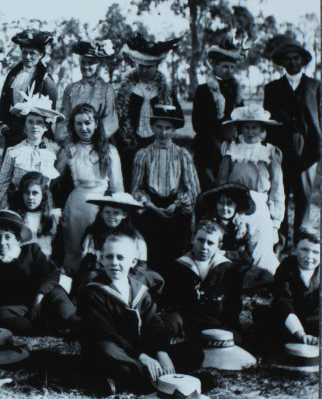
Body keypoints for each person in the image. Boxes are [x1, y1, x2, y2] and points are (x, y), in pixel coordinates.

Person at [77, 231, 181, 396]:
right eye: (109, 257)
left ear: (133, 261)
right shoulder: (94, 291)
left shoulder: (140, 290)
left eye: (120, 257)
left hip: (138, 347)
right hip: (112, 347)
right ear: (101, 259)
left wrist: (161, 352)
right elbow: (107, 333)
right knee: (108, 351)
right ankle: (149, 379)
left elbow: (152, 324)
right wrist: (141, 356)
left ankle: (147, 375)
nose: (114, 263)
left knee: (190, 351)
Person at [262, 33, 321, 251]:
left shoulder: (315, 86)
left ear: (302, 60)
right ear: (282, 62)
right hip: (281, 150)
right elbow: (267, 120)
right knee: (280, 194)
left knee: (304, 198)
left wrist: (318, 149)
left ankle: (300, 241)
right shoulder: (272, 88)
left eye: (296, 58)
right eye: (288, 58)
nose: (292, 62)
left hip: (308, 150)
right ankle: (280, 240)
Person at [0, 210, 77, 335]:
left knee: (57, 296)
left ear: (17, 240)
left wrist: (39, 296)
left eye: (7, 237)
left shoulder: (31, 251)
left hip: (44, 297)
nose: (2, 242)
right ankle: (44, 326)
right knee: (1, 314)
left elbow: (50, 273)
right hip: (21, 307)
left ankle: (73, 322)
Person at [130, 103, 200, 274]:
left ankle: (174, 295)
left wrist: (176, 204)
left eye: (168, 128)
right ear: (152, 127)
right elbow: (136, 188)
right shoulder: (143, 154)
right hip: (151, 209)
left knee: (176, 256)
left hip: (175, 210)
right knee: (153, 254)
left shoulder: (182, 154)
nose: (163, 132)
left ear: (173, 129)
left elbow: (193, 188)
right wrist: (152, 207)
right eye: (159, 127)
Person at [55, 103, 123, 274]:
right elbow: (53, 177)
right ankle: (71, 285)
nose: (83, 128)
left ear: (96, 124)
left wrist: (117, 210)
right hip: (77, 205)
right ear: (73, 126)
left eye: (87, 123)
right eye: (78, 123)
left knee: (100, 248)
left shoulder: (109, 150)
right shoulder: (70, 150)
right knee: (74, 249)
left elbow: (117, 185)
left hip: (102, 205)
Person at [217, 104, 284, 272]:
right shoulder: (232, 149)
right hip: (233, 203)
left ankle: (261, 282)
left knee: (259, 247)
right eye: (246, 127)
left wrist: (276, 220)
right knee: (234, 247)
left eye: (255, 127)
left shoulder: (269, 151)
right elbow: (222, 179)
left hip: (259, 203)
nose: (250, 132)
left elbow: (277, 185)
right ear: (241, 129)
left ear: (262, 129)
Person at [115, 32, 182, 185]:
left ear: (156, 66)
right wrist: (125, 139)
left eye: (149, 67)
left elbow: (179, 120)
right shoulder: (126, 89)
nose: (145, 71)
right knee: (130, 178)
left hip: (157, 140)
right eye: (142, 66)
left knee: (154, 179)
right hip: (130, 143)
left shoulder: (165, 89)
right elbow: (119, 116)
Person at [160, 220, 244, 342]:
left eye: (210, 243)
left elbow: (232, 306)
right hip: (186, 322)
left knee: (234, 339)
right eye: (200, 240)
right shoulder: (178, 266)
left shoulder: (228, 269)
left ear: (218, 246)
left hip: (215, 323)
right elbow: (169, 300)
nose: (204, 246)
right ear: (192, 239)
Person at [73, 192, 162, 297]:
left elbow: (141, 265)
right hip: (100, 272)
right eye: (107, 212)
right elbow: (88, 262)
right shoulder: (92, 235)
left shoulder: (135, 237)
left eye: (116, 213)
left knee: (143, 280)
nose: (111, 216)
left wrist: (122, 275)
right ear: (101, 213)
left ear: (124, 215)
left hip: (128, 273)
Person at [0, 92, 63, 211]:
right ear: (24, 126)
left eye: (39, 122)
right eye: (30, 121)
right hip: (17, 204)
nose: (34, 126)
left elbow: (53, 187)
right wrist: (2, 209)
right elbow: (2, 184)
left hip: (42, 206)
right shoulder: (14, 152)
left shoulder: (52, 154)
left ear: (46, 127)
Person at [195, 183, 277, 286]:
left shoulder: (241, 228)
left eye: (229, 203)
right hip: (209, 270)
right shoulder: (206, 225)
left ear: (236, 206)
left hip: (233, 273)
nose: (224, 208)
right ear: (215, 204)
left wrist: (225, 254)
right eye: (221, 203)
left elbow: (247, 256)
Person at [191, 34, 245, 189]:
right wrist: (218, 131)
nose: (229, 71)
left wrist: (237, 135)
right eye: (225, 66)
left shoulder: (235, 89)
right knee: (209, 184)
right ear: (215, 66)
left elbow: (241, 115)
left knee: (228, 183)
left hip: (229, 144)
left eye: (232, 67)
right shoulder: (203, 90)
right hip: (207, 143)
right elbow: (197, 123)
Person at [0, 29, 58, 148]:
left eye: (32, 53)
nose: (27, 56)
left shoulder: (46, 80)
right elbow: (4, 103)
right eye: (24, 52)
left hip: (35, 134)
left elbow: (50, 115)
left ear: (40, 55)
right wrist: (3, 126)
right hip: (12, 132)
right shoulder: (13, 75)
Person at [56, 39, 118, 142]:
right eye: (83, 62)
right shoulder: (71, 89)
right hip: (73, 141)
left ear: (99, 63)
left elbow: (110, 120)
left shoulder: (106, 89)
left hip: (97, 142)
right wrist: (69, 140)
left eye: (91, 63)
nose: (86, 66)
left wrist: (91, 140)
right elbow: (63, 119)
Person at [268, 228, 320, 347]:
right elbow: (284, 301)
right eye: (304, 249)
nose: (309, 256)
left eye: (316, 252)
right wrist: (300, 334)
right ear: (295, 249)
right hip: (290, 319)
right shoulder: (286, 267)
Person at [11, 171, 58, 261]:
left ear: (43, 195)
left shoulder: (51, 217)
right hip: (21, 260)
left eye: (35, 193)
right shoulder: (17, 216)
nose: (30, 197)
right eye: (27, 192)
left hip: (44, 260)